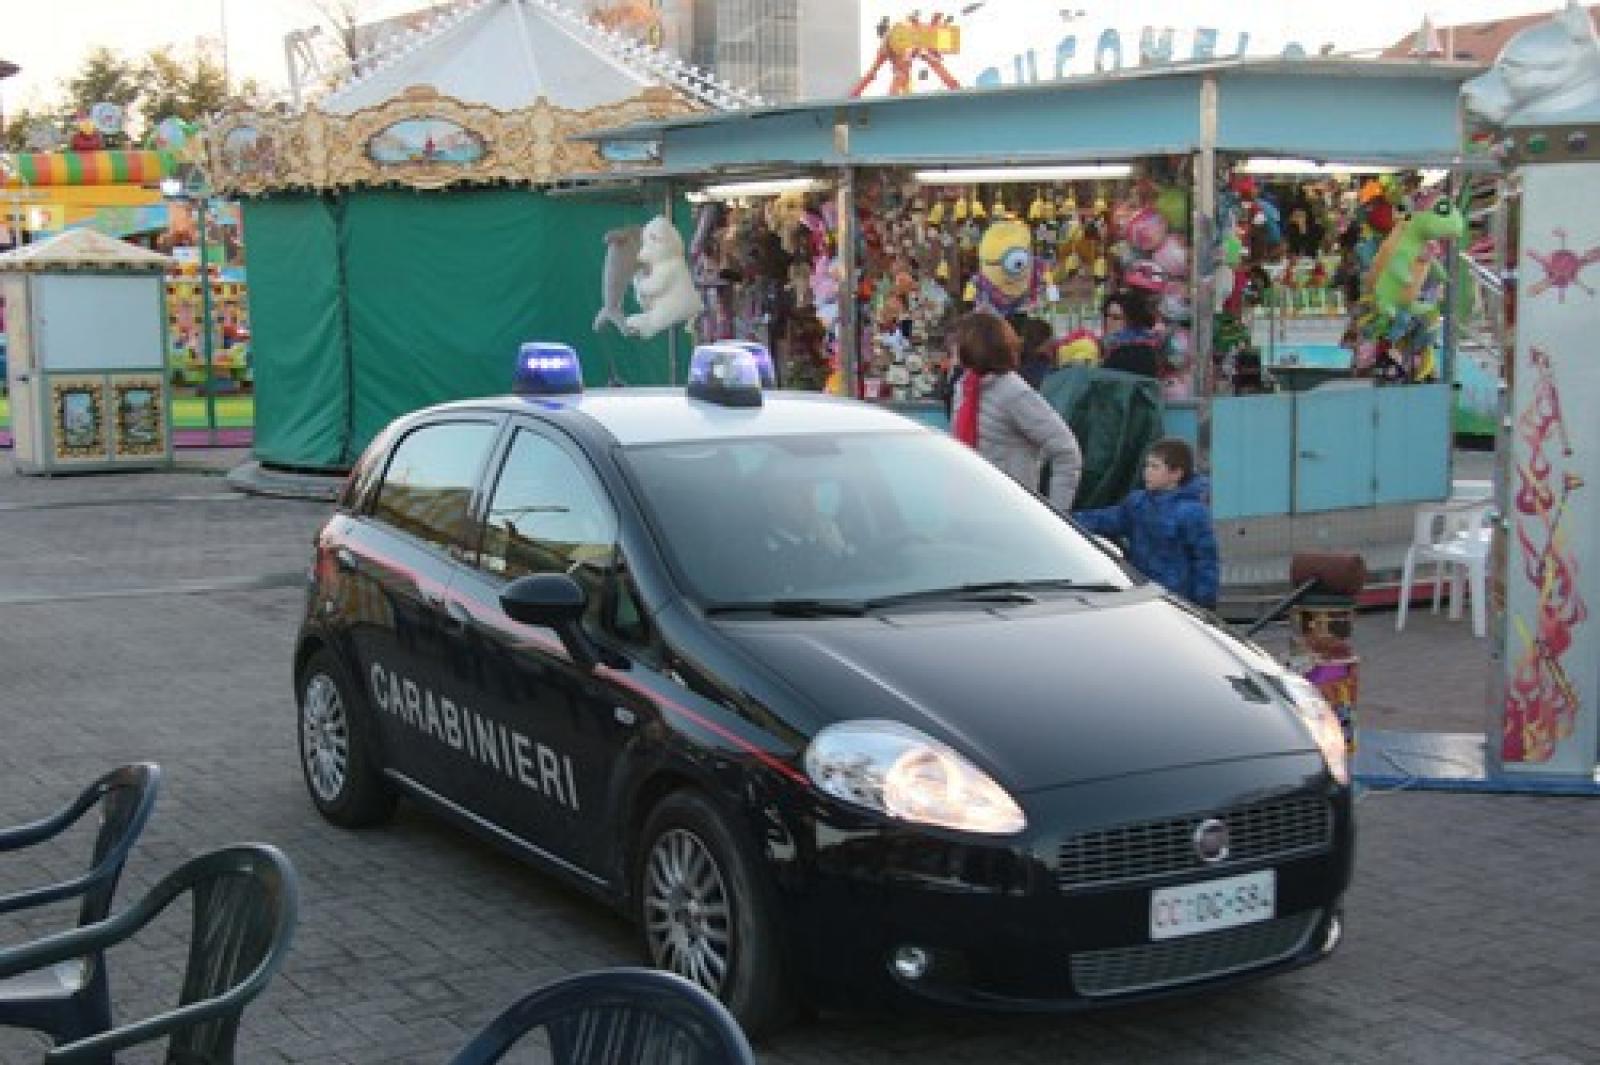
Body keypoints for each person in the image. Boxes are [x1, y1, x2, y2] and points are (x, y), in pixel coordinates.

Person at [950, 310, 1083, 511]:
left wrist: (1057, 515)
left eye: (956, 343)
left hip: (1009, 516)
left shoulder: (1014, 392)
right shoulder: (964, 387)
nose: (951, 350)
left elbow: (1066, 451)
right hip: (967, 511)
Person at [1073, 437, 1219, 610]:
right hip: (1140, 597)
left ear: (1176, 474)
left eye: (1155, 467)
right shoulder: (1138, 504)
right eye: (1146, 466)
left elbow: (1206, 560)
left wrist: (1204, 602)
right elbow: (1106, 519)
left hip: (1177, 602)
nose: (1147, 472)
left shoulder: (1193, 512)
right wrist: (1065, 520)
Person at [1099, 290, 1164, 378]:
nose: (1108, 321)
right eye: (1106, 315)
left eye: (1116, 318)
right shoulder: (1109, 345)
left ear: (1132, 321)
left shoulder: (1133, 353)